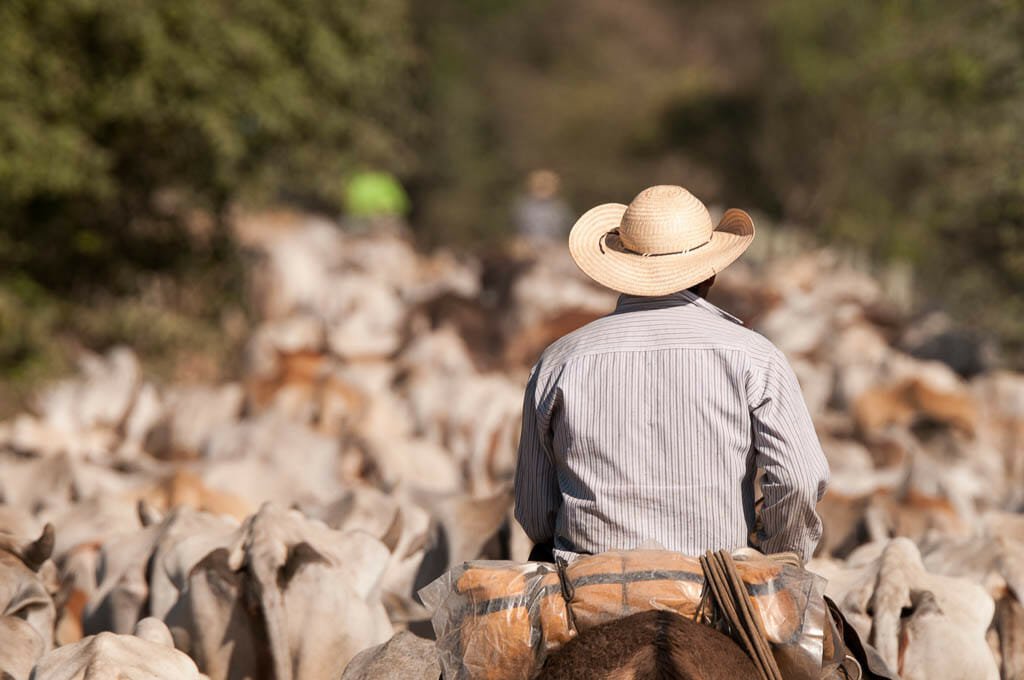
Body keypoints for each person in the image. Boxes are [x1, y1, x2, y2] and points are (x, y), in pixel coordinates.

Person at [514, 185, 830, 565]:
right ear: (711, 272)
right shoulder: (755, 357)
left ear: (621, 269)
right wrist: (778, 553)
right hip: (717, 581)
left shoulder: (559, 360)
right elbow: (799, 480)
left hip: (586, 581)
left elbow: (535, 513)